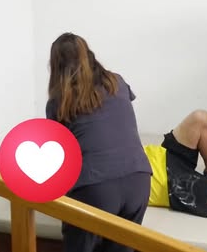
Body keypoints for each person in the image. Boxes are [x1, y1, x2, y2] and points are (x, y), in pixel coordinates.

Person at [45, 33, 152, 252]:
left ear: (56, 67)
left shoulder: (58, 102)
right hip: (139, 180)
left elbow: (58, 158)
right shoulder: (117, 82)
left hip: (95, 186)